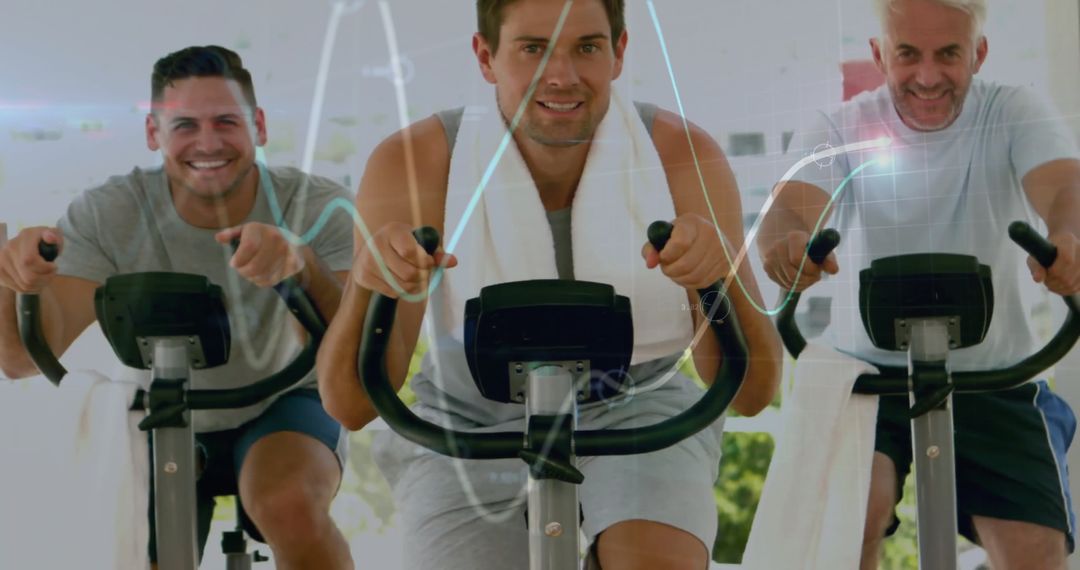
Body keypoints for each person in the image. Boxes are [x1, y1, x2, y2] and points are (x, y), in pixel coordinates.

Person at [316, 1, 782, 568]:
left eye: (586, 47)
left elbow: (754, 393)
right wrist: (369, 285)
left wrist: (720, 277)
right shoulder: (413, 162)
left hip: (637, 403)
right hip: (471, 415)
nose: (561, 76)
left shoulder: (683, 156)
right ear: (486, 57)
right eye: (533, 48)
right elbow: (352, 405)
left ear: (619, 52)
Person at [0, 45, 356, 569]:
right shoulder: (109, 213)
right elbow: (21, 359)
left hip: (282, 401)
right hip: (162, 407)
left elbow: (358, 349)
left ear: (258, 126)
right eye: (185, 124)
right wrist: (16, 284)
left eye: (226, 122)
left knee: (289, 506)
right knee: (148, 547)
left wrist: (302, 267)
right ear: (153, 134)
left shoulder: (316, 205)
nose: (207, 142)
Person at [756, 0, 1080, 567]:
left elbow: (1062, 190)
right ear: (880, 55)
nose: (928, 76)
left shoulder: (1012, 111)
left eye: (948, 54)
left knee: (1037, 553)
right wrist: (787, 247)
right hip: (870, 378)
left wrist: (1070, 237)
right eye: (908, 54)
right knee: (854, 517)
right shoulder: (840, 126)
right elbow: (788, 210)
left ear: (978, 53)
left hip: (993, 378)